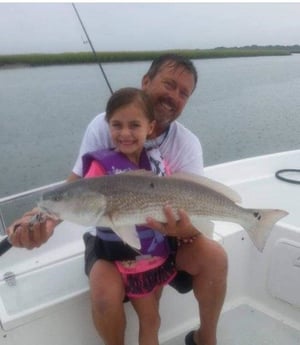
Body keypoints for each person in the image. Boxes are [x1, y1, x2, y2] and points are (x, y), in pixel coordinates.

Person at [7, 53, 228, 345]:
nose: (174, 96)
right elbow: (77, 188)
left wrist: (182, 230)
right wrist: (40, 219)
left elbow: (196, 214)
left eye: (183, 93)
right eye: (169, 84)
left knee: (215, 258)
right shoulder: (104, 125)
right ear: (146, 81)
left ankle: (205, 339)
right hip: (110, 234)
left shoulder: (186, 144)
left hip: (167, 239)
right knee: (103, 296)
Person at [83, 86, 177, 345]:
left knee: (153, 318)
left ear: (150, 127)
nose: (125, 133)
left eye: (134, 125)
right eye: (117, 125)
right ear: (108, 127)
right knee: (151, 320)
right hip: (128, 261)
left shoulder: (158, 164)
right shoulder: (99, 167)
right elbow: (84, 197)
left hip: (155, 257)